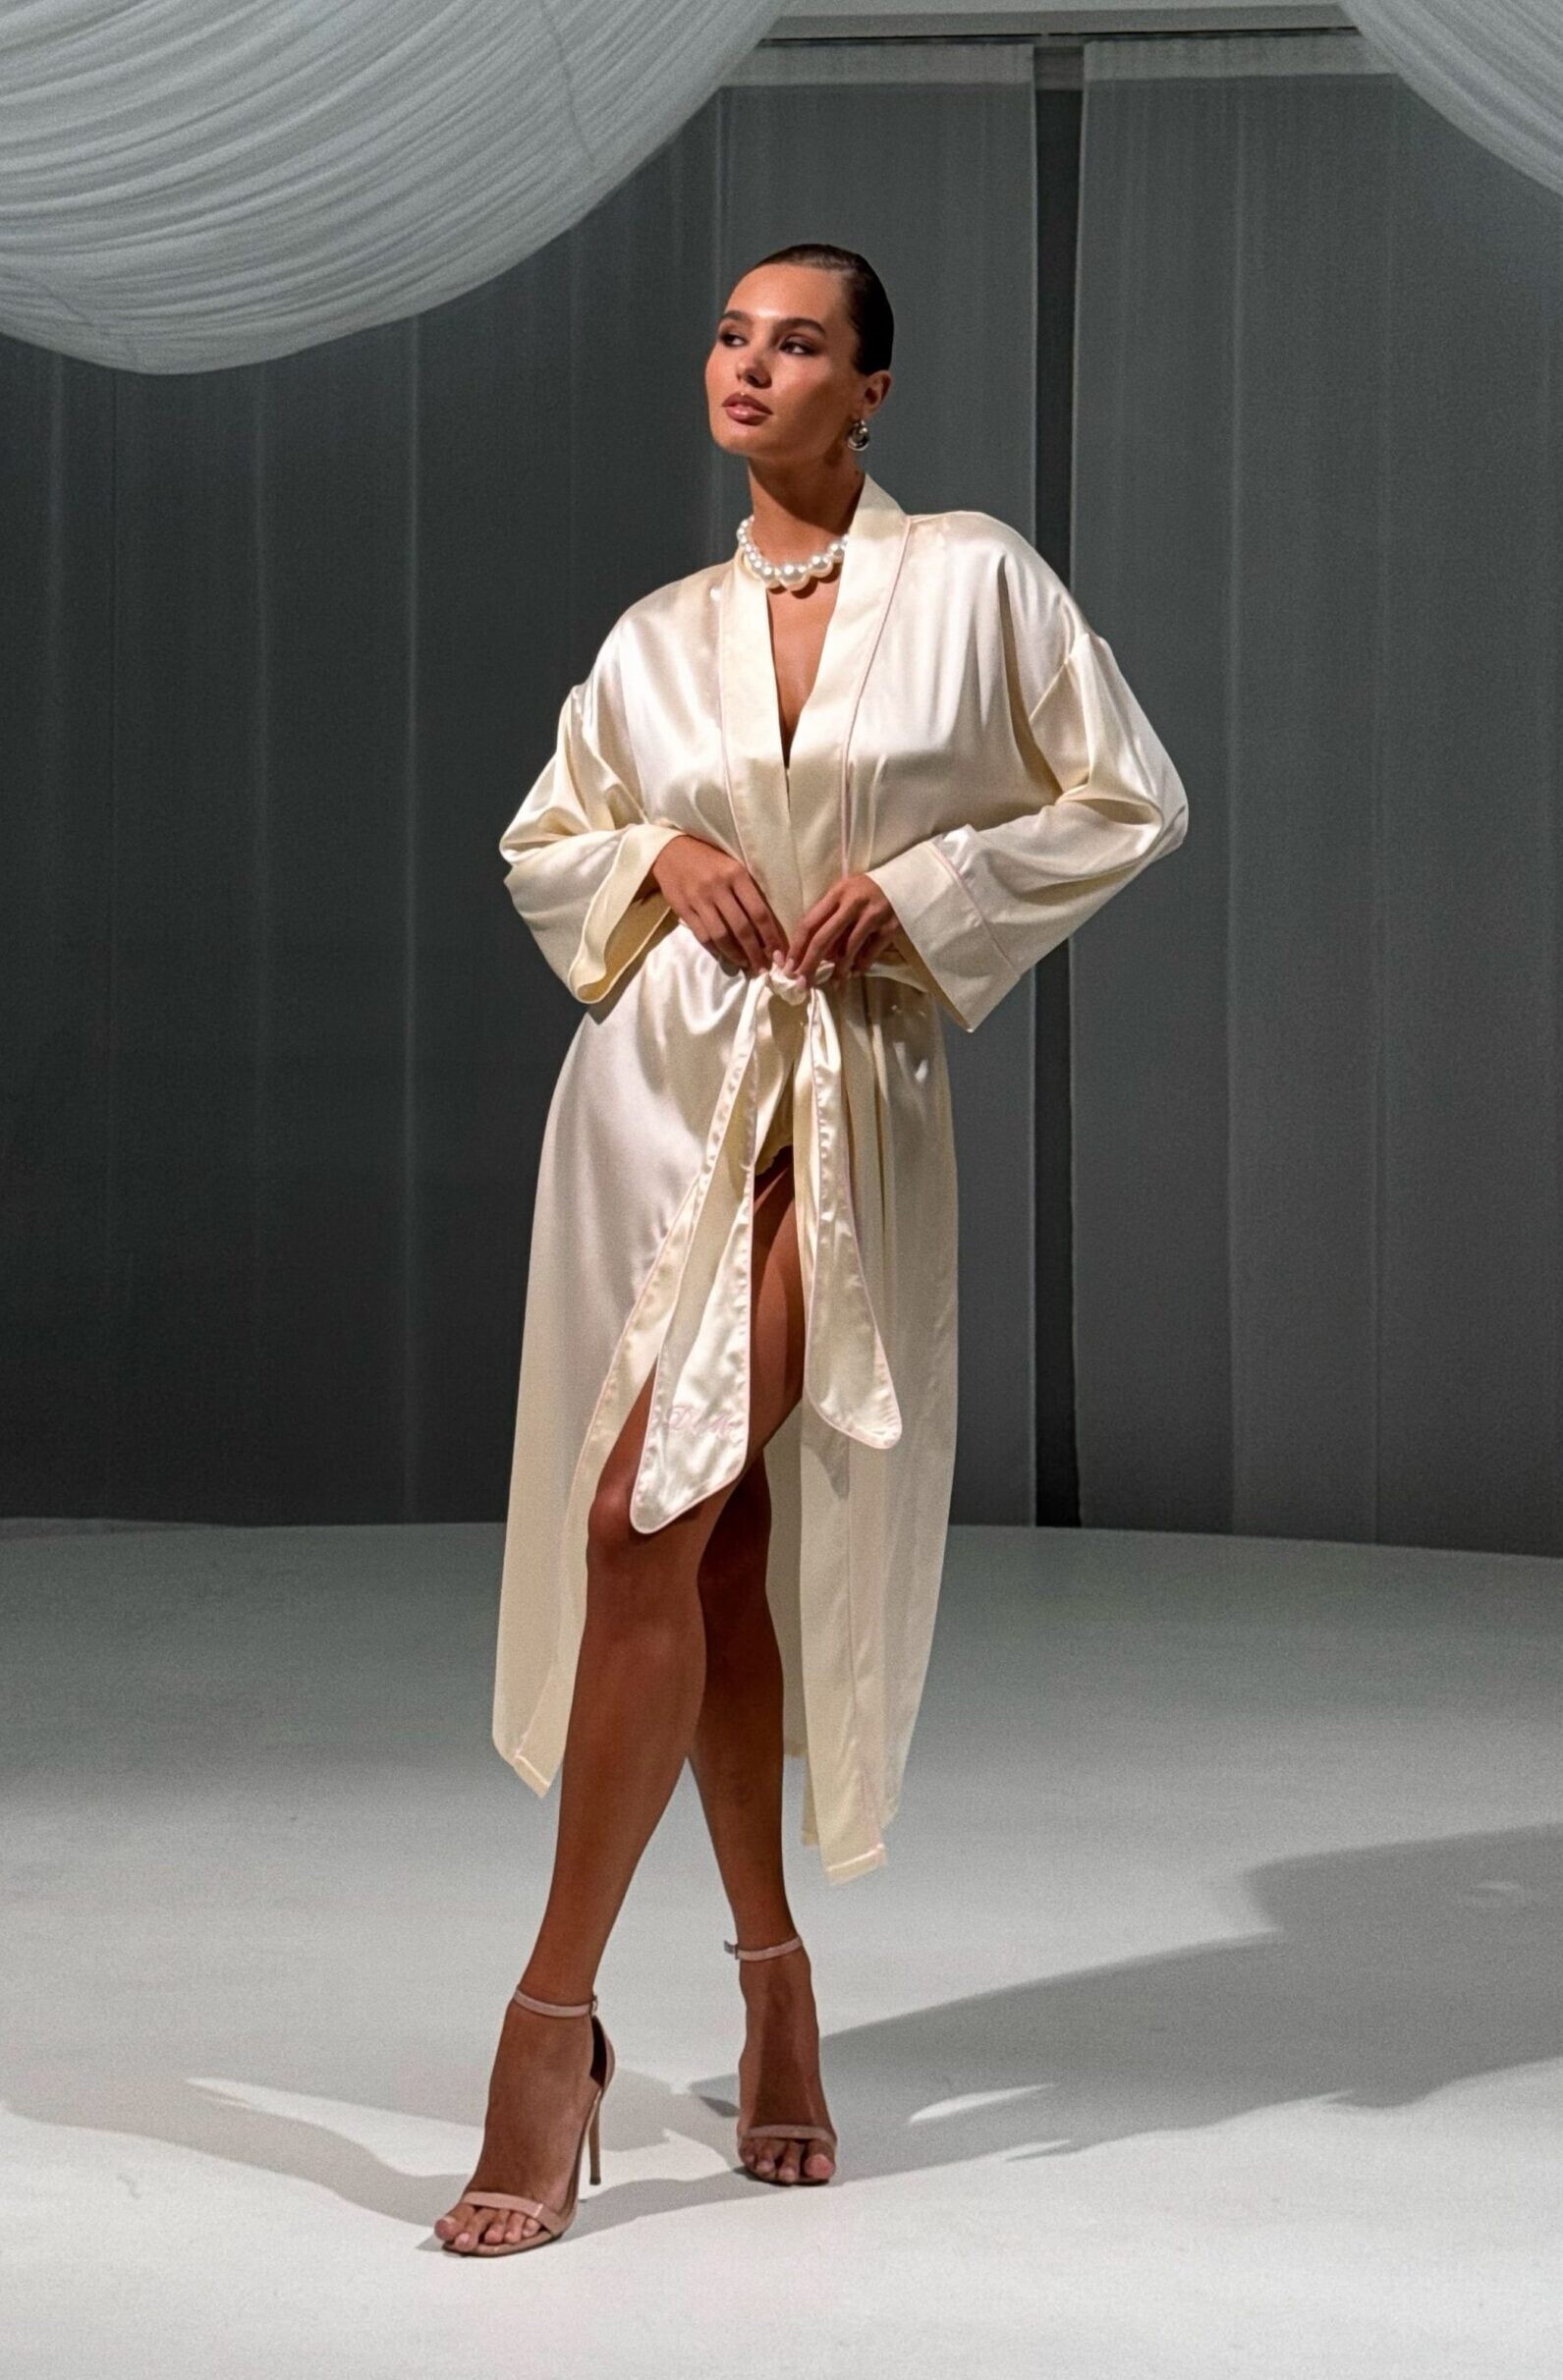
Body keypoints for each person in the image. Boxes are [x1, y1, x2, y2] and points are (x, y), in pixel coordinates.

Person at [435, 243, 1189, 2255]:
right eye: (728, 337)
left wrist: (936, 885)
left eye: (797, 343)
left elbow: (1127, 796)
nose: (748, 367)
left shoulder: (975, 581)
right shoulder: (656, 636)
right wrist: (657, 855)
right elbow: (544, 842)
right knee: (706, 1541)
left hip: (846, 1098)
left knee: (643, 1516)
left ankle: (550, 2023)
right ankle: (771, 1981)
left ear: (872, 390)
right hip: (653, 1103)